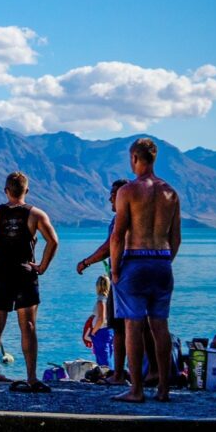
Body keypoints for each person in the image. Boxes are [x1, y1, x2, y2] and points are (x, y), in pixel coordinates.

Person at [111, 138, 181, 403]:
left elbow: (118, 235)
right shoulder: (170, 193)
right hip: (162, 261)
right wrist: (164, 261)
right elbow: (176, 239)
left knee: (133, 325)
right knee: (160, 326)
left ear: (135, 159)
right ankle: (164, 388)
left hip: (135, 261)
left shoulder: (128, 191)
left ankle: (136, 389)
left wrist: (116, 270)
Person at [0, 171, 59, 392]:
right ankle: (31, 377)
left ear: (6, 191)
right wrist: (42, 266)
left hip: (0, 274)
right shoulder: (36, 214)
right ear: (26, 191)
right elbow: (53, 241)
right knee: (29, 326)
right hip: (25, 273)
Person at [77, 179, 130, 383]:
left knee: (119, 327)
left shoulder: (120, 219)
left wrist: (86, 262)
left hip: (122, 277)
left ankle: (117, 374)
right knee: (135, 326)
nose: (110, 198)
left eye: (114, 194)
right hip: (133, 276)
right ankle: (137, 371)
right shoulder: (138, 218)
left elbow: (110, 246)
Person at [81, 275, 114, 368]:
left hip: (101, 331)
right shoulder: (110, 299)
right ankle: (111, 373)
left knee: (102, 356)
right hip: (109, 330)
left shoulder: (101, 300)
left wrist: (94, 331)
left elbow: (101, 318)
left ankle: (105, 375)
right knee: (109, 354)